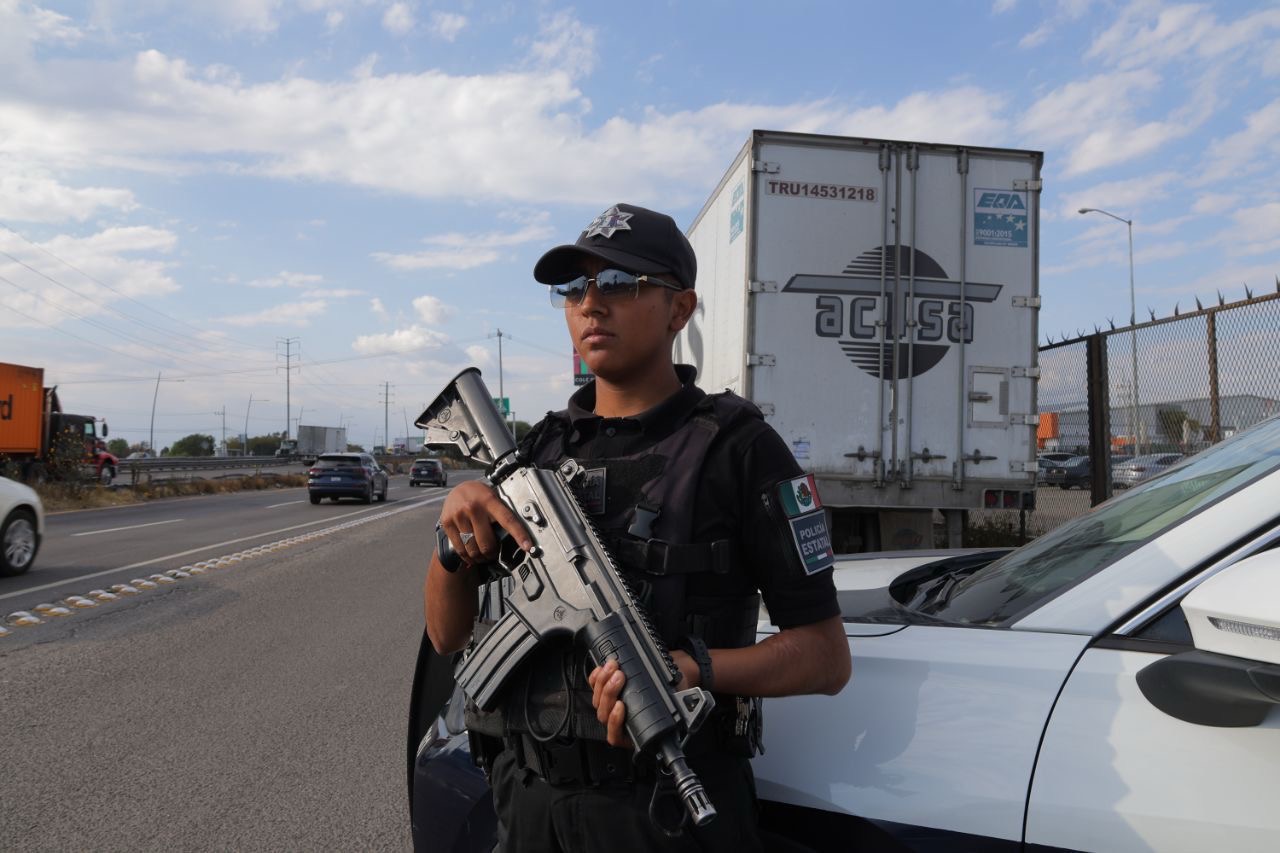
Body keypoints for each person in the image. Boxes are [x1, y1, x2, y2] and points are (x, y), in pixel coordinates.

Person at [424, 203, 851, 852]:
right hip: (527, 802)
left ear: (680, 309)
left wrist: (693, 669)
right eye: (574, 288)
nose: (591, 304)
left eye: (621, 283)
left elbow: (826, 658)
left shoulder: (739, 450)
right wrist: (451, 545)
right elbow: (447, 634)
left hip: (663, 815)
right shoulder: (538, 451)